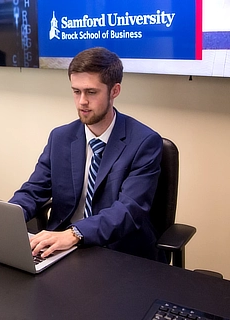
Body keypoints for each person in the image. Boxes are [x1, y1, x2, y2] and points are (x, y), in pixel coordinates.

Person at [9, 47, 165, 262]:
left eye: (91, 92)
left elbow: (129, 210)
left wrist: (74, 234)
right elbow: (34, 191)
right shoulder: (61, 137)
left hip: (118, 252)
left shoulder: (144, 142)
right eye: (76, 91)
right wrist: (5, 218)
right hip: (62, 248)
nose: (82, 101)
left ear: (114, 91)